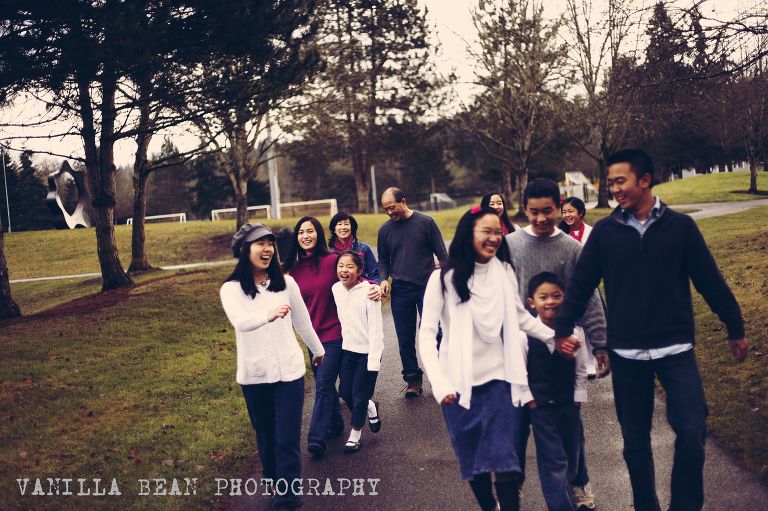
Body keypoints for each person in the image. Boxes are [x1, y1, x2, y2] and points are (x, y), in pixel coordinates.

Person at [554, 149, 749, 511]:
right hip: (627, 354)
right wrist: (563, 328)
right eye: (610, 183)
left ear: (645, 180)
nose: (614, 189)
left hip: (676, 350)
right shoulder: (606, 233)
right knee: (635, 444)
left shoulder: (680, 228)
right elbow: (580, 286)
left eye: (620, 181)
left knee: (692, 431)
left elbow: (709, 280)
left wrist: (734, 325)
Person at [418, 207, 555, 511]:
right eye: (487, 231)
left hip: (500, 381)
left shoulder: (503, 272)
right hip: (457, 386)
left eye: (498, 232)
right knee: (475, 462)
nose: (494, 238)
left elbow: (520, 316)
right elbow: (426, 336)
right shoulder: (442, 279)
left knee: (506, 463)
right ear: (469, 234)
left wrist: (553, 337)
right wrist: (439, 384)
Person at [505, 178, 605, 510]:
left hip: (560, 346)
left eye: (548, 210)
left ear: (559, 206)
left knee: (569, 423)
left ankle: (578, 483)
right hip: (521, 350)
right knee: (516, 428)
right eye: (534, 212)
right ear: (524, 209)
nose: (541, 218)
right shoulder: (511, 244)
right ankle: (512, 487)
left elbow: (588, 297)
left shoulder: (571, 248)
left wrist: (600, 344)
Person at [220, 223, 325, 510]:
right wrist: (267, 314)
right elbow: (240, 322)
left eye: (270, 244)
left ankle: (288, 496)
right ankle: (272, 477)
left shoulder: (287, 284)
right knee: (266, 436)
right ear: (245, 250)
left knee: (286, 437)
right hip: (254, 376)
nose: (267, 249)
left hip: (290, 372)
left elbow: (302, 321)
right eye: (260, 244)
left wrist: (318, 350)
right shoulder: (231, 289)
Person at [283, 216, 380, 458]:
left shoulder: (331, 261)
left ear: (318, 234)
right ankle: (335, 425)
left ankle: (315, 438)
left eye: (310, 231)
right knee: (324, 384)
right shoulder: (293, 269)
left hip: (335, 334)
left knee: (324, 384)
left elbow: (354, 277)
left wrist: (374, 286)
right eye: (301, 232)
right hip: (312, 336)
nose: (306, 236)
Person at [525, 272, 589, 511]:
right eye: (543, 297)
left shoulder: (575, 333)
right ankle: (560, 504)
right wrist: (529, 398)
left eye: (556, 296)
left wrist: (578, 395)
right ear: (532, 302)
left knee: (572, 453)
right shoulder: (525, 334)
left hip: (568, 404)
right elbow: (519, 369)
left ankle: (571, 485)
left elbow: (581, 368)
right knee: (553, 459)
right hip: (541, 407)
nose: (550, 301)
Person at [378, 187, 448, 397]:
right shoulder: (385, 230)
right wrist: (383, 280)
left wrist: (446, 281)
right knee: (405, 339)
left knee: (433, 333)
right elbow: (383, 260)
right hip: (401, 290)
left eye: (392, 207)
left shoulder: (426, 222)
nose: (389, 213)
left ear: (403, 201)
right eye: (385, 209)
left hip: (428, 288)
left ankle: (439, 375)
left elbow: (442, 255)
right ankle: (413, 379)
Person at [332, 251, 385, 453]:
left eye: (350, 266)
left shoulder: (369, 293)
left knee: (359, 394)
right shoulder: (336, 289)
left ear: (360, 271)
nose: (344, 270)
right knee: (345, 392)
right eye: (340, 266)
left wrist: (374, 361)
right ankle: (370, 407)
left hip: (367, 353)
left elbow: (376, 330)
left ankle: (355, 435)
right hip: (348, 351)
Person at [559, 196, 598, 378]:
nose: (567, 215)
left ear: (580, 212)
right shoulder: (560, 234)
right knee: (572, 325)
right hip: (566, 285)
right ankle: (574, 363)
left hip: (588, 284)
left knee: (589, 323)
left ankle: (590, 361)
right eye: (564, 212)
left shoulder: (591, 232)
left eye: (571, 211)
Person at [328, 211, 380, 283]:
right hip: (337, 289)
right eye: (339, 224)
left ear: (352, 228)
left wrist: (375, 286)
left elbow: (375, 274)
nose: (343, 227)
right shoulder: (328, 252)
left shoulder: (364, 248)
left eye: (346, 224)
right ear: (334, 229)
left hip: (362, 288)